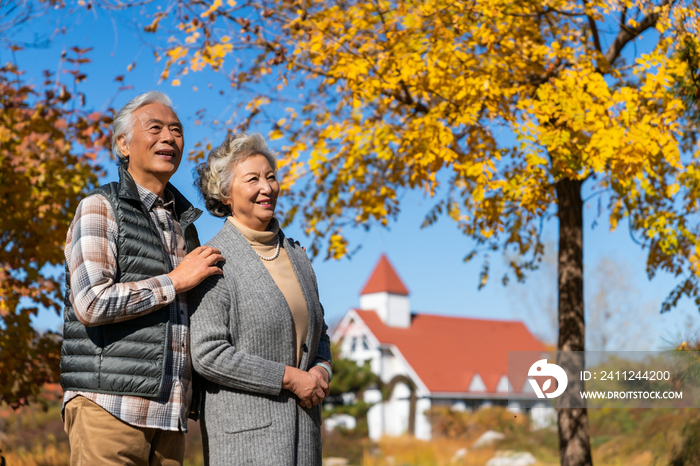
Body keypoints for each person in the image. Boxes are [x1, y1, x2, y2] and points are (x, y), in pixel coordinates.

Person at [60, 91, 225, 466]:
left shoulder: (186, 226)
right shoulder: (100, 207)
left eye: (177, 130)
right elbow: (91, 302)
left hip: (171, 416)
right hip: (109, 408)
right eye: (156, 128)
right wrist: (175, 281)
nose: (169, 138)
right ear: (123, 143)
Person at [190, 132, 332, 465]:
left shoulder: (297, 255)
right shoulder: (213, 258)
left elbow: (320, 334)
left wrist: (321, 373)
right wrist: (290, 378)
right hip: (246, 445)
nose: (267, 187)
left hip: (305, 440)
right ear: (225, 193)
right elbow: (208, 354)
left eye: (270, 177)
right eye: (253, 179)